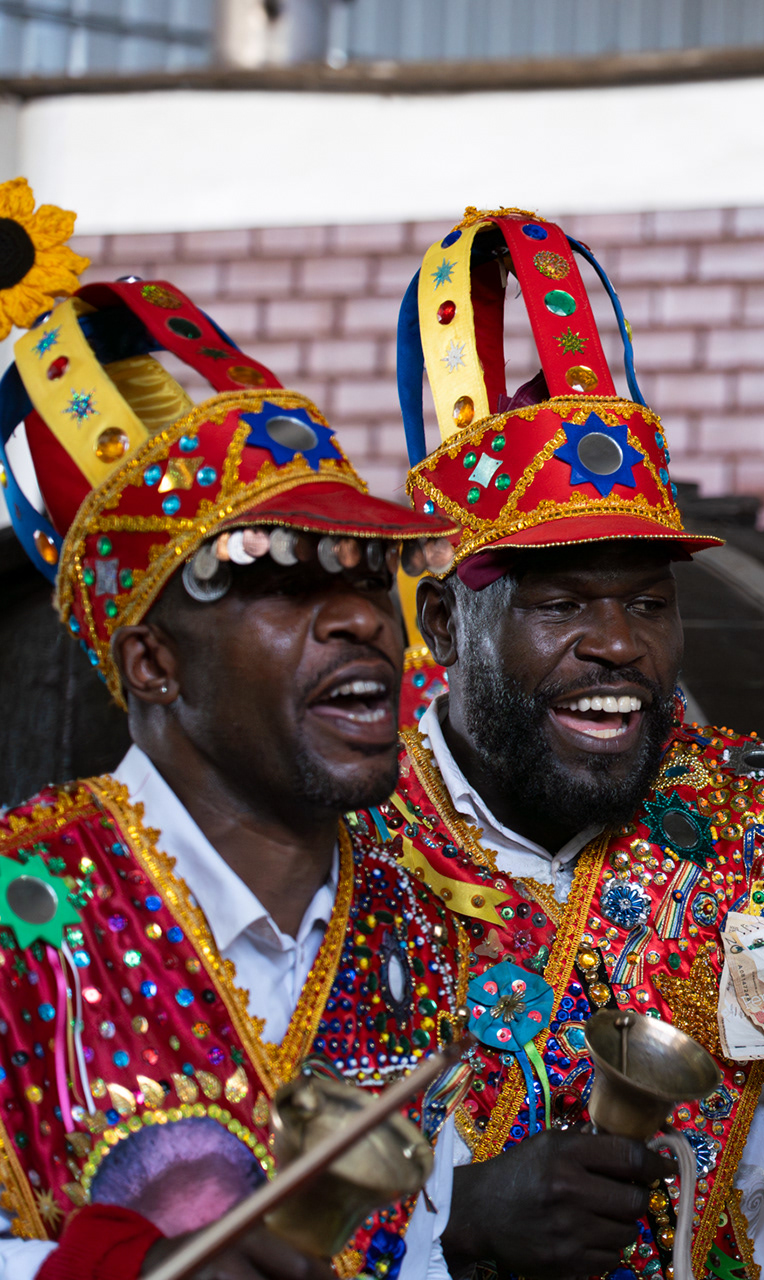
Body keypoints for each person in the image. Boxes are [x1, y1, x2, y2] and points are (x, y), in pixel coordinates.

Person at [372, 209, 764, 1280]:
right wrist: (447, 1227)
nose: (619, 643)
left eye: (649, 601)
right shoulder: (346, 843)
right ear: (446, 626)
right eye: (561, 603)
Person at [0, 181, 462, 1280]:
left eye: (369, 572)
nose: (363, 618)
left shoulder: (438, 928)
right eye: (285, 580)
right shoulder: (18, 911)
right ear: (153, 663)